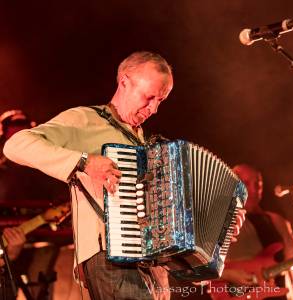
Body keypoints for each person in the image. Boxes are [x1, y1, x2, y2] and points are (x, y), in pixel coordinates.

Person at [3, 51, 243, 300]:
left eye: (160, 100)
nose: (154, 109)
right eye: (149, 97)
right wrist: (84, 162)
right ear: (125, 82)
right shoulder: (85, 119)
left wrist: (222, 222)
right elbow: (16, 146)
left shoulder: (148, 145)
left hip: (153, 269)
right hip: (110, 259)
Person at [218, 164, 293, 300]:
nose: (253, 189)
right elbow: (202, 267)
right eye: (246, 183)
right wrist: (230, 274)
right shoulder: (220, 220)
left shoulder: (277, 221)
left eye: (258, 184)